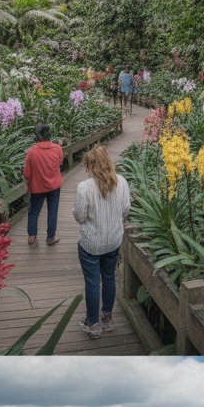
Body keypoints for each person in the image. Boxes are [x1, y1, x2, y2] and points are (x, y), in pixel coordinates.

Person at [72, 144, 131, 338]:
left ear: (91, 166)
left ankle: (93, 323)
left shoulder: (84, 187)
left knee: (92, 282)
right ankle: (107, 319)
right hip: (113, 240)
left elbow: (80, 217)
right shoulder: (121, 182)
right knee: (109, 278)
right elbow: (125, 210)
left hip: (91, 243)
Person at [22, 125, 64, 246]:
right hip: (54, 186)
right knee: (52, 211)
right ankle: (50, 238)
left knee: (34, 212)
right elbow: (59, 163)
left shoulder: (31, 151)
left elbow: (26, 173)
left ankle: (32, 236)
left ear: (37, 136)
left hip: (36, 187)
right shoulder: (57, 148)